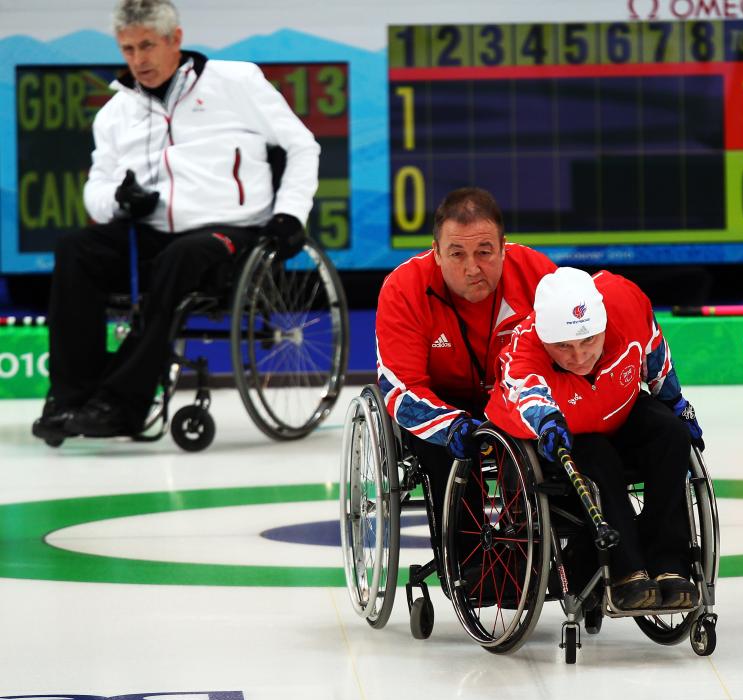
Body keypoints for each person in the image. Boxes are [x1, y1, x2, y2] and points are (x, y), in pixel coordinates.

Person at [33, 0, 318, 443]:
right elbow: (96, 187)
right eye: (128, 49)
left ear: (175, 40)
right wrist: (119, 199)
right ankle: (71, 397)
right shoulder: (115, 113)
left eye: (147, 45)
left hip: (231, 232)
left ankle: (121, 405)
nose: (138, 60)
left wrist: (290, 214)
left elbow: (302, 146)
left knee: (182, 256)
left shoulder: (236, 82)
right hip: (152, 233)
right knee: (75, 249)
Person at [486, 267, 706, 611]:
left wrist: (676, 404)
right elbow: (526, 394)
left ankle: (669, 564)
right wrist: (547, 422)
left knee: (671, 435)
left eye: (588, 340)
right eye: (563, 347)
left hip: (618, 408)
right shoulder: (523, 351)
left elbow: (656, 355)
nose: (579, 356)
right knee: (598, 455)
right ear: (544, 341)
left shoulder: (626, 302)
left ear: (602, 324)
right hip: (564, 432)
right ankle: (626, 572)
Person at [374, 187, 557, 539]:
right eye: (457, 254)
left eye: (485, 252)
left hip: (515, 397)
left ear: (504, 248)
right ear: (437, 253)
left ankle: (550, 550)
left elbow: (571, 354)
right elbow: (401, 390)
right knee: (446, 456)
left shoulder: (538, 275)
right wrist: (451, 427)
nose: (472, 267)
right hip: (443, 403)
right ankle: (471, 565)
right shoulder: (404, 289)